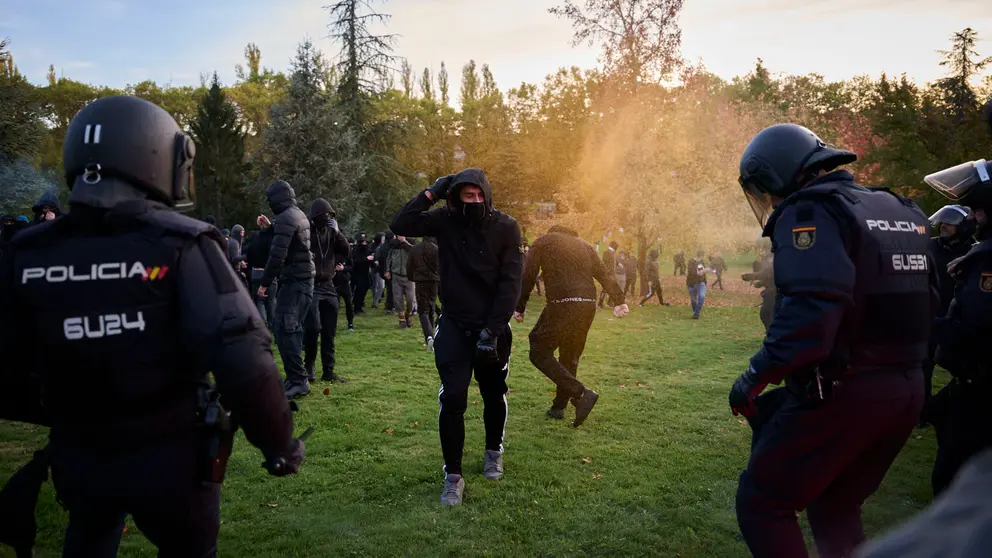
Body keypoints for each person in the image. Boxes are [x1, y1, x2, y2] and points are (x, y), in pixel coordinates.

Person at [0, 95, 304, 558]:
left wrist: (69, 413)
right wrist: (279, 446)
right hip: (172, 459)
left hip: (80, 457)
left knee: (87, 539)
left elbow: (7, 368)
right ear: (157, 157)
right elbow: (245, 359)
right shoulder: (182, 244)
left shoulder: (27, 253)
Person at [730, 123, 935, 558]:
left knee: (763, 503)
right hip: (907, 390)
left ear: (774, 175)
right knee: (835, 504)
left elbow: (811, 314)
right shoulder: (896, 208)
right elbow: (932, 300)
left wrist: (753, 376)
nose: (770, 202)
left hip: (844, 389)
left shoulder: (810, 211)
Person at [391, 168, 523, 507]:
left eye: (479, 195)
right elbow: (401, 224)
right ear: (456, 198)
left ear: (487, 196)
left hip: (492, 327)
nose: (474, 201)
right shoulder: (445, 221)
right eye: (467, 196)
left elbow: (511, 284)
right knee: (452, 398)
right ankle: (453, 475)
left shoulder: (506, 227)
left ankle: (493, 450)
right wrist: (432, 192)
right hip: (454, 325)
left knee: (494, 392)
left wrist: (492, 331)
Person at [923, 159, 992, 495]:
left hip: (981, 390)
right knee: (938, 411)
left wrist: (922, 322)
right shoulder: (979, 256)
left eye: (978, 212)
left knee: (950, 477)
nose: (975, 219)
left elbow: (975, 335)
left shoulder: (986, 263)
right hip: (968, 385)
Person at [515, 225, 627, 426]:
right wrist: (619, 300)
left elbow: (528, 274)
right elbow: (604, 273)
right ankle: (558, 407)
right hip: (587, 306)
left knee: (538, 350)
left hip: (562, 303)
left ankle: (581, 393)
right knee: (570, 357)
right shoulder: (585, 246)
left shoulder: (543, 241)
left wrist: (520, 306)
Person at [257, 180, 315, 399]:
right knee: (292, 330)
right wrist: (270, 228)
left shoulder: (284, 218)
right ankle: (295, 378)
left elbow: (277, 255)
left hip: (294, 282)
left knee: (285, 330)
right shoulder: (297, 214)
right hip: (302, 281)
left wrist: (264, 283)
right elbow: (291, 243)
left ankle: (298, 380)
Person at [921, 205, 976, 424]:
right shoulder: (929, 245)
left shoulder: (974, 252)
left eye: (950, 223)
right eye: (943, 222)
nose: (944, 226)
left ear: (963, 227)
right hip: (930, 315)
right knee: (923, 365)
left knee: (960, 367)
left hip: (956, 318)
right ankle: (922, 412)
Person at [302, 199, 350, 387]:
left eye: (329, 216)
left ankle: (328, 371)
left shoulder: (332, 232)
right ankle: (309, 365)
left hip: (328, 285)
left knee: (329, 331)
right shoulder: (308, 233)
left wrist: (338, 233)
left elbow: (346, 250)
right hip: (312, 284)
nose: (327, 218)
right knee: (313, 328)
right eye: (324, 215)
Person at [408, 236, 441, 350]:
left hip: (420, 281)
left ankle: (428, 336)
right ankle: (431, 336)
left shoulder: (415, 249)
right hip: (433, 281)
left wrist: (412, 277)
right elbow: (440, 266)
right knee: (431, 307)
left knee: (423, 311)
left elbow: (410, 266)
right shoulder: (436, 249)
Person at [245, 215, 276, 329]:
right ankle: (272, 325)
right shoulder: (271, 241)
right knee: (270, 301)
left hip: (256, 272)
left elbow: (248, 253)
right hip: (268, 271)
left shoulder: (254, 238)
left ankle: (262, 325)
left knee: (259, 301)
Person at [328, 217, 355, 331]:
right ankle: (332, 325)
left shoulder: (346, 251)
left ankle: (350, 323)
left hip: (344, 281)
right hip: (332, 281)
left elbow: (352, 267)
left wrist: (343, 268)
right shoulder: (329, 250)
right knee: (333, 305)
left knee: (348, 303)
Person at [387, 235, 415, 328]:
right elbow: (389, 258)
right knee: (398, 299)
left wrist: (405, 242)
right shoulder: (393, 244)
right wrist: (387, 270)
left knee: (410, 299)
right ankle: (402, 320)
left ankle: (408, 315)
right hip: (396, 275)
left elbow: (414, 251)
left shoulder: (411, 242)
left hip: (409, 276)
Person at [597, 241, 624, 308]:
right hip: (607, 274)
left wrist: (618, 264)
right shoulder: (606, 252)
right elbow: (604, 263)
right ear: (614, 246)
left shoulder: (613, 253)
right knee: (605, 289)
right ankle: (600, 303)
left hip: (612, 274)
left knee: (613, 288)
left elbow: (613, 260)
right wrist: (607, 273)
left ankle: (609, 302)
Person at [351, 232, 373, 314]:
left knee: (365, 288)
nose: (364, 244)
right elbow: (355, 262)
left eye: (365, 242)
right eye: (363, 243)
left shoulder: (367, 250)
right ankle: (356, 306)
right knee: (358, 291)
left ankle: (360, 305)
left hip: (365, 273)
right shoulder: (355, 251)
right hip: (357, 273)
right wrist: (366, 259)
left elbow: (370, 261)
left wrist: (373, 262)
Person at [375, 232, 396, 314]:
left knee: (389, 289)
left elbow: (378, 257)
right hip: (391, 270)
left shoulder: (381, 247)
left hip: (383, 270)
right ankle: (390, 307)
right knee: (391, 290)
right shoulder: (392, 246)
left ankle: (389, 306)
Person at [686, 250, 708, 319]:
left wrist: (704, 281)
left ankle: (696, 314)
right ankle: (695, 311)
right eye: (703, 256)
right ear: (701, 256)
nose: (703, 258)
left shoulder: (701, 262)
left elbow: (703, 272)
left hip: (701, 283)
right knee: (693, 300)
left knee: (702, 296)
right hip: (692, 284)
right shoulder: (691, 261)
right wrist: (700, 272)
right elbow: (691, 272)